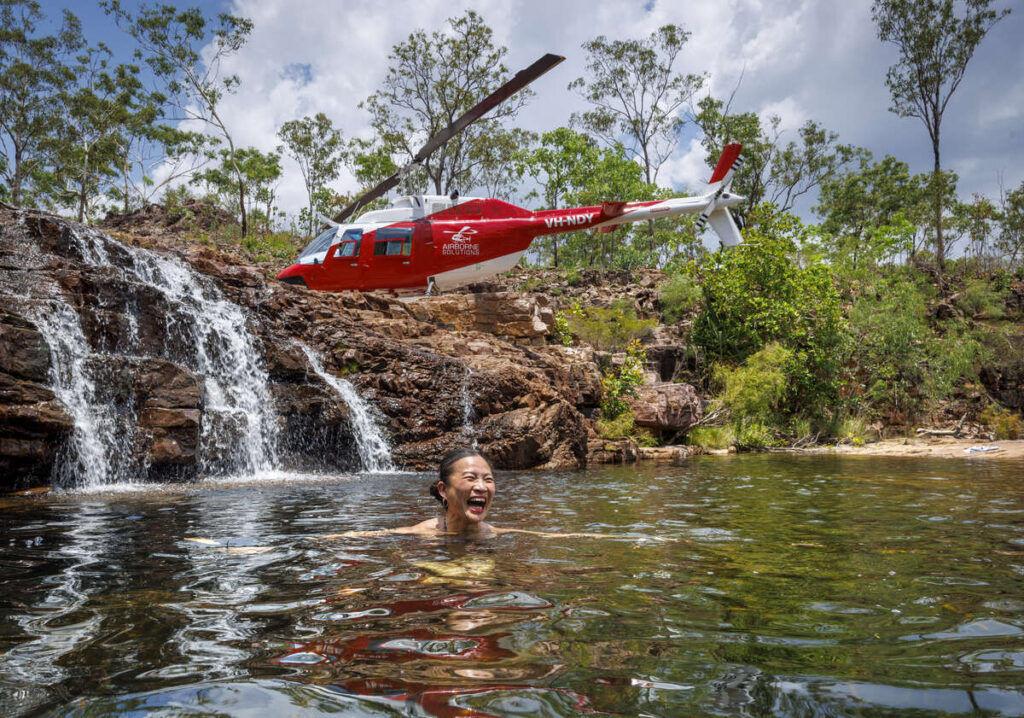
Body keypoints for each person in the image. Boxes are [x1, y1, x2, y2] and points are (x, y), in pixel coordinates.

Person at [317, 448, 630, 541]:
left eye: (488, 480)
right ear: (444, 490)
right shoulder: (422, 534)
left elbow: (552, 537)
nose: (482, 486)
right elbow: (374, 535)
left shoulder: (493, 533)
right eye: (471, 478)